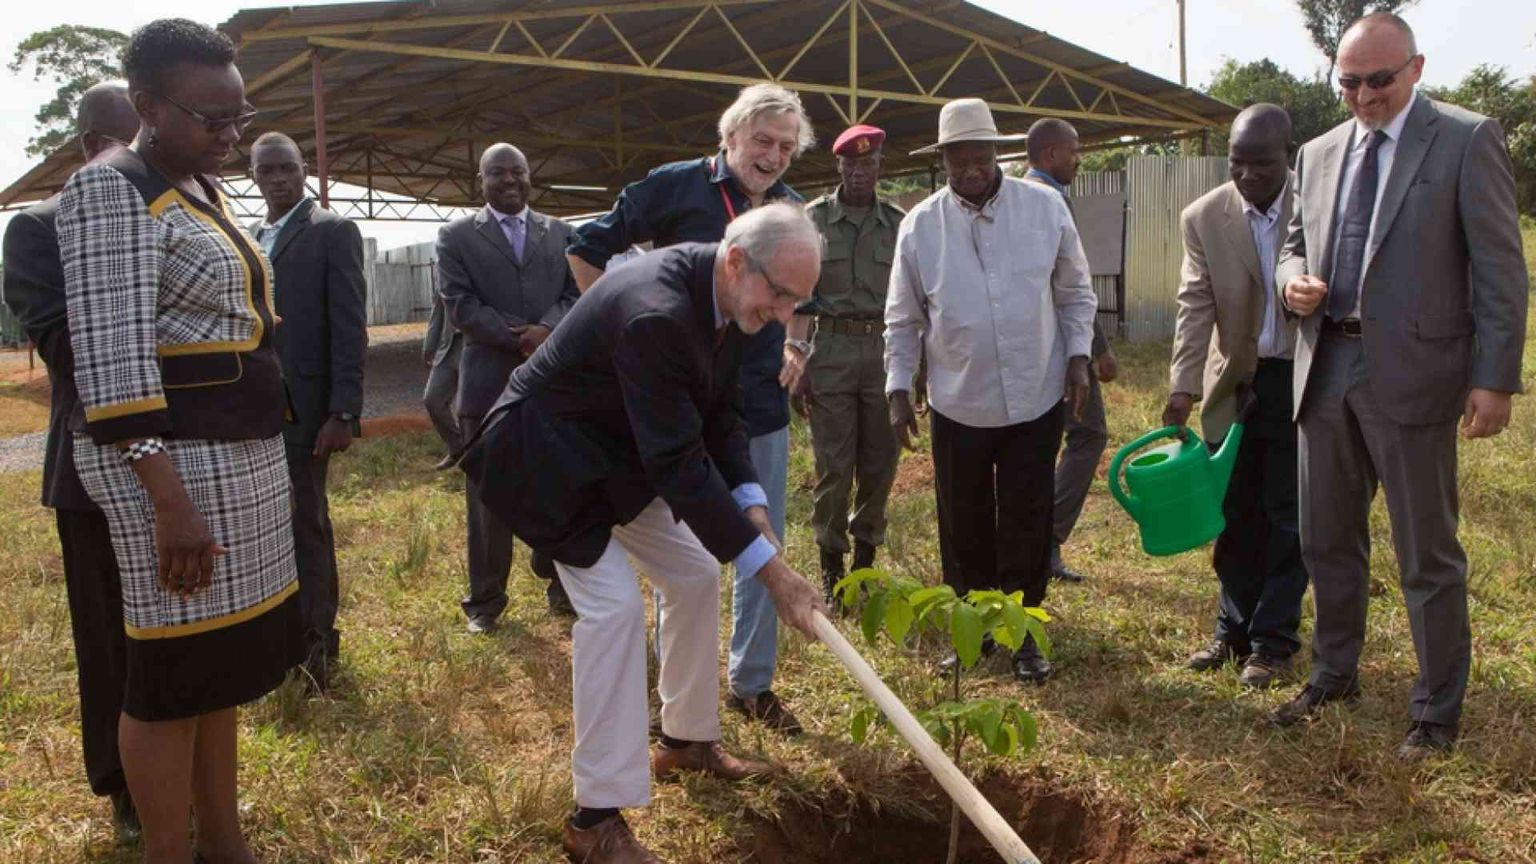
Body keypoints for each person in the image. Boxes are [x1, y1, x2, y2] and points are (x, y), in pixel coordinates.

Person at [460, 203, 826, 864]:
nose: (782, 314)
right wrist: (772, 573)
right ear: (739, 260)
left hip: (617, 454)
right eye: (780, 294)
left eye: (796, 302)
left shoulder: (732, 298)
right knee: (613, 611)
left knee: (692, 573)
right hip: (545, 461)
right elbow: (680, 466)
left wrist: (752, 507)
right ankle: (593, 820)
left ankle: (686, 740)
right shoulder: (656, 311)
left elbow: (722, 413)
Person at [57, 19, 303, 863]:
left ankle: (224, 842)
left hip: (237, 457)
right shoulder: (109, 189)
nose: (231, 136)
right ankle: (169, 849)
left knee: (218, 665)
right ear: (146, 105)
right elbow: (110, 358)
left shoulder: (199, 186)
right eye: (212, 119)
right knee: (168, 675)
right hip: (169, 469)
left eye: (240, 116)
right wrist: (167, 500)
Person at [1272, 13, 1528, 761]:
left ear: (1415, 69)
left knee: (1426, 553)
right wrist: (1293, 285)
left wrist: (1495, 378)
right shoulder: (1317, 153)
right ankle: (1333, 671)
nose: (1362, 97)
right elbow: (1291, 242)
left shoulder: (1464, 138)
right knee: (1325, 538)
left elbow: (1500, 266)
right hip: (1325, 370)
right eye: (1347, 82)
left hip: (1415, 375)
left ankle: (1437, 710)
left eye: (1377, 80)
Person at [565, 82, 814, 734]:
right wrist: (621, 339)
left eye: (787, 146)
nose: (774, 155)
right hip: (675, 401)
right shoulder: (674, 188)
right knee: (676, 541)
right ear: (730, 136)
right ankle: (662, 685)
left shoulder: (790, 210)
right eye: (763, 140)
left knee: (763, 535)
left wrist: (794, 344)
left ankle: (751, 683)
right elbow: (586, 248)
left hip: (754, 400)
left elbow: (800, 300)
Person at [886, 98, 1097, 684]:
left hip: (1035, 392)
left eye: (981, 157)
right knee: (963, 520)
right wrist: (898, 388)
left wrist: (1078, 357)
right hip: (959, 398)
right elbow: (902, 318)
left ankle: (1026, 634)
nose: (972, 169)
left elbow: (1075, 292)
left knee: (1028, 515)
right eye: (960, 160)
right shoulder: (921, 225)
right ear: (945, 160)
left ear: (997, 154)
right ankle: (974, 632)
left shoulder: (1044, 208)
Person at [0, 81, 141, 838]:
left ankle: (178, 768)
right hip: (94, 468)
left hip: (189, 463)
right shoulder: (37, 229)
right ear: (94, 145)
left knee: (180, 632)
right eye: (135, 140)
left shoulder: (173, 213)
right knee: (109, 635)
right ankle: (121, 785)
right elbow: (72, 352)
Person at [1163, 104, 1309, 690]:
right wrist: (1182, 385)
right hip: (1237, 383)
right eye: (1237, 163)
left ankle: (1273, 641)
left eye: (1261, 164)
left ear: (1288, 157)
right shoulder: (1204, 216)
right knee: (1233, 510)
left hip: (1301, 379)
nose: (1246, 176)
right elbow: (1194, 303)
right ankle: (1233, 629)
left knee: (1288, 516)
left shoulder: (1318, 204)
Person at [436, 142, 579, 630]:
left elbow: (575, 295)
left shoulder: (562, 234)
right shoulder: (455, 237)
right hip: (486, 385)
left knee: (559, 487)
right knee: (486, 498)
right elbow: (461, 306)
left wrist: (547, 330)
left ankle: (562, 583)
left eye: (517, 171)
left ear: (529, 176)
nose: (509, 180)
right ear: (482, 181)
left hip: (553, 383)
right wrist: (524, 339)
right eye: (497, 174)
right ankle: (486, 602)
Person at [249, 131, 368, 694]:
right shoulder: (253, 236)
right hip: (252, 412)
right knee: (263, 529)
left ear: (304, 171)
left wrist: (343, 411)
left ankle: (318, 648)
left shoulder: (332, 231)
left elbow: (349, 326)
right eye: (266, 169)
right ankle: (274, 647)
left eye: (286, 168)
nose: (277, 178)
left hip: (309, 413)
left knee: (305, 525)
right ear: (252, 175)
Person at [791, 124, 905, 603]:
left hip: (883, 351)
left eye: (869, 164)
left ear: (880, 167)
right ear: (839, 166)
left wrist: (912, 369)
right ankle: (832, 570)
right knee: (834, 467)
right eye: (851, 164)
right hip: (832, 353)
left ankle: (864, 563)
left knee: (880, 464)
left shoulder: (899, 224)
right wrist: (798, 361)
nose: (860, 173)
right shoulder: (811, 220)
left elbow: (915, 299)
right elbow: (798, 295)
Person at [1022, 117, 1119, 585]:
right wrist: (1096, 349)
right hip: (1061, 349)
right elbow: (1069, 287)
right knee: (1087, 434)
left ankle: (1036, 541)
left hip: (1041, 345)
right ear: (1049, 155)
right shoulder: (1045, 201)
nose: (1079, 158)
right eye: (1074, 150)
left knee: (1044, 442)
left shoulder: (1026, 198)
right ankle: (1045, 541)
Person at [422, 291, 462, 469]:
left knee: (471, 407)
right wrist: (430, 344)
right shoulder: (444, 264)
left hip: (478, 345)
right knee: (433, 400)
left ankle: (480, 455)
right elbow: (438, 308)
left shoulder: (487, 264)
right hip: (448, 347)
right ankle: (458, 447)